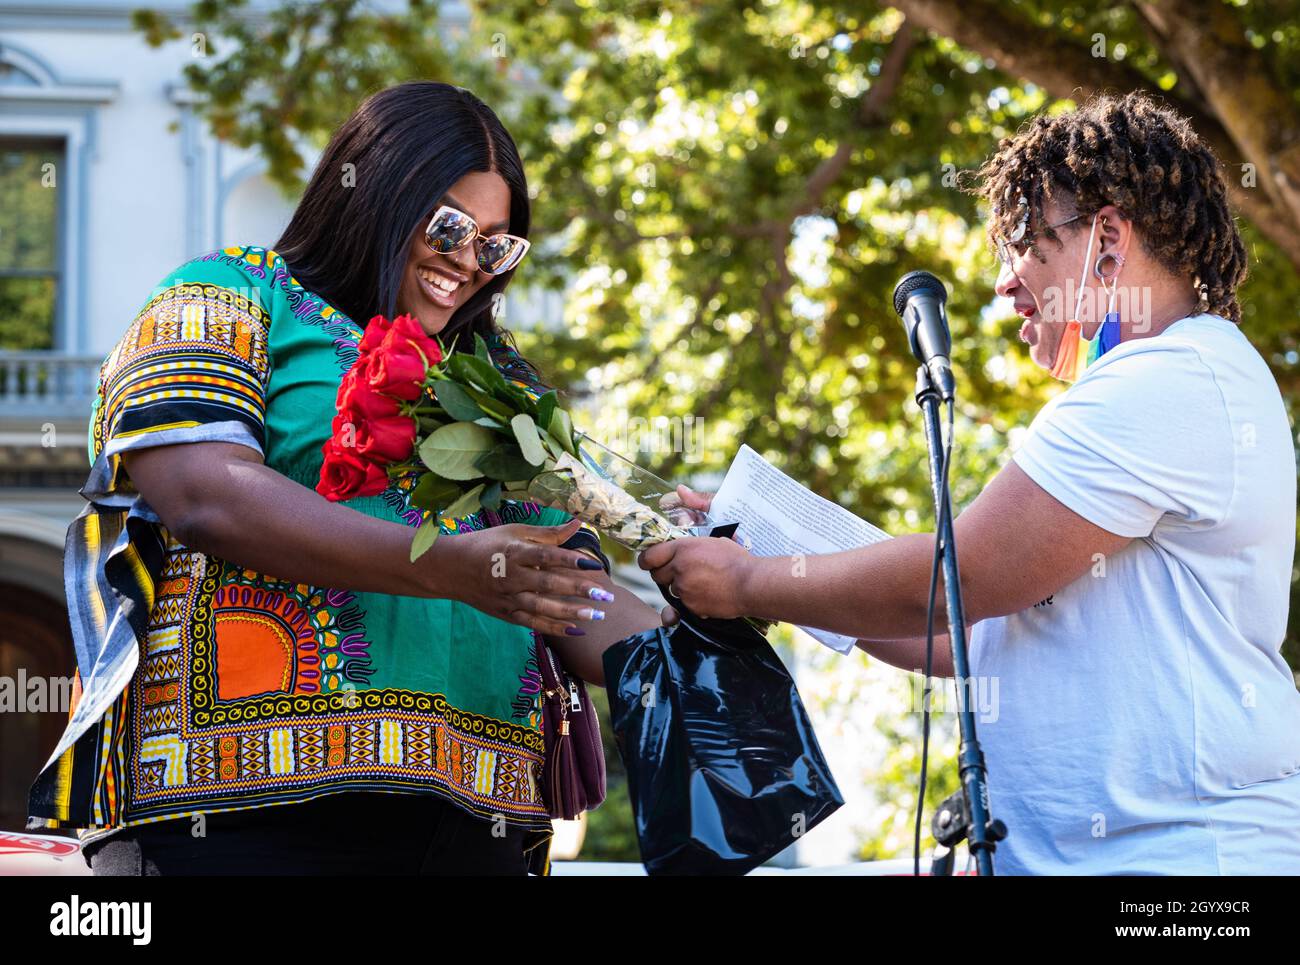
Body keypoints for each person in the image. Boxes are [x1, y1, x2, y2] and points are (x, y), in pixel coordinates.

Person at [641, 91, 1300, 874]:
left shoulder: (1169, 380)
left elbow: (963, 574)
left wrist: (751, 580)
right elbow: (957, 626)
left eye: (1025, 242)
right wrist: (766, 540)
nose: (1003, 284)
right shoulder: (1170, 383)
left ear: (1109, 239)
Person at [29, 81, 659, 875]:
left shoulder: (504, 381)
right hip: (234, 820)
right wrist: (450, 567)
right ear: (377, 188)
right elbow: (203, 493)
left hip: (474, 830)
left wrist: (721, 609)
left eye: (495, 246)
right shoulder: (226, 294)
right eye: (450, 226)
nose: (467, 262)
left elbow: (566, 583)